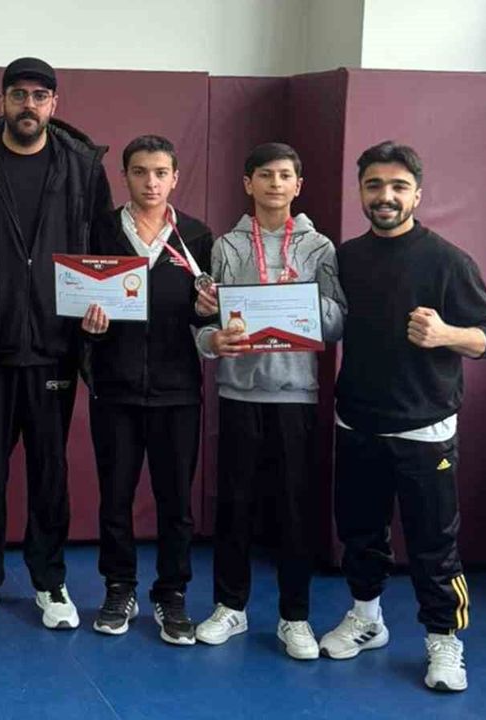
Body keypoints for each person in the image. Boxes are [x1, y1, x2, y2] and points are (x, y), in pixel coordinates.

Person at [318, 141, 486, 692]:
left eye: (398, 186)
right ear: (361, 191)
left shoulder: (448, 261)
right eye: (374, 185)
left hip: (425, 428)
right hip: (357, 420)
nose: (386, 196)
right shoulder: (346, 258)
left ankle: (444, 640)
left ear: (417, 195)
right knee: (360, 533)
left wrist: (447, 333)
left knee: (433, 544)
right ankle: (366, 619)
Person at [0, 57, 112, 630]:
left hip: (56, 348)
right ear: (2, 101)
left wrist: (102, 308)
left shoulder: (82, 166)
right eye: (19, 95)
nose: (29, 105)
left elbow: (101, 247)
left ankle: (50, 581)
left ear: (54, 104)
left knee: (49, 474)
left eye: (40, 96)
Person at [191, 142, 345, 658]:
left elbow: (337, 321)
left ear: (298, 185)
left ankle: (294, 617)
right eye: (264, 175)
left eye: (284, 176)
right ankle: (229, 607)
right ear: (248, 183)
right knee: (234, 504)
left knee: (295, 509)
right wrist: (211, 334)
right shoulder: (226, 247)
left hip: (296, 394)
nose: (274, 184)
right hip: (238, 390)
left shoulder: (319, 248)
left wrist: (301, 301)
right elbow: (207, 321)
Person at [80, 135, 212, 644]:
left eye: (160, 173)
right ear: (125, 177)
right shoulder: (101, 231)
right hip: (114, 390)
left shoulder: (196, 237)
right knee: (115, 498)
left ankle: (171, 593)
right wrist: (90, 328)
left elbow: (210, 318)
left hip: (178, 392)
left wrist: (208, 310)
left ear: (175, 178)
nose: (150, 182)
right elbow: (80, 304)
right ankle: (119, 587)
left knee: (175, 501)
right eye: (140, 172)